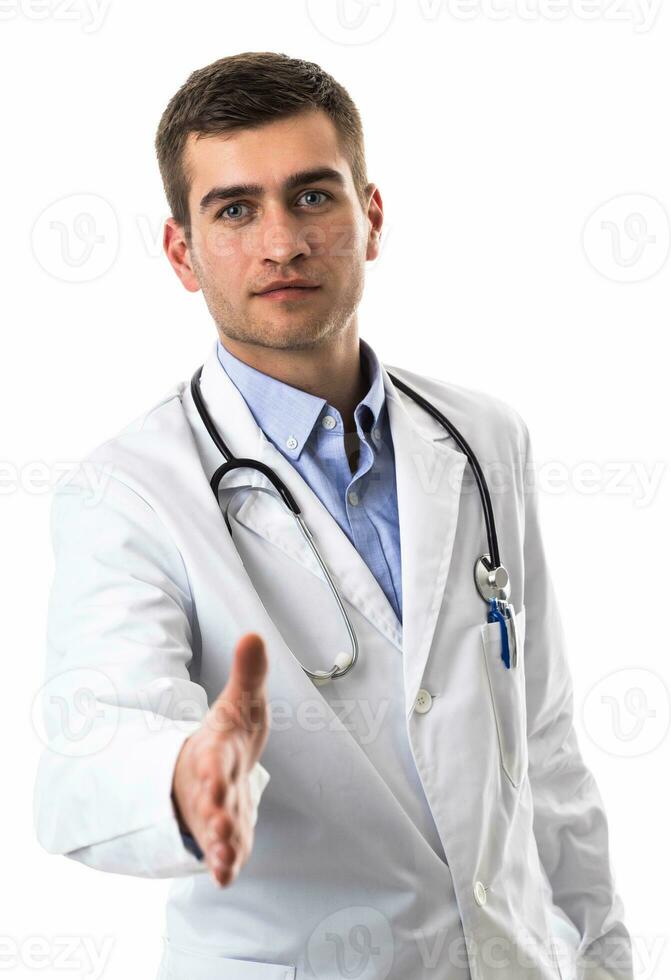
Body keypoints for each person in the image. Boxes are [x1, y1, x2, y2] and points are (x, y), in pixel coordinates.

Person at [34, 51, 633, 980]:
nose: (281, 242)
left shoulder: (483, 439)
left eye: (312, 197)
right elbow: (85, 756)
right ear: (181, 253)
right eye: (234, 210)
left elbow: (545, 746)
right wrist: (187, 777)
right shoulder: (129, 491)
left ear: (371, 216)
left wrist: (601, 960)